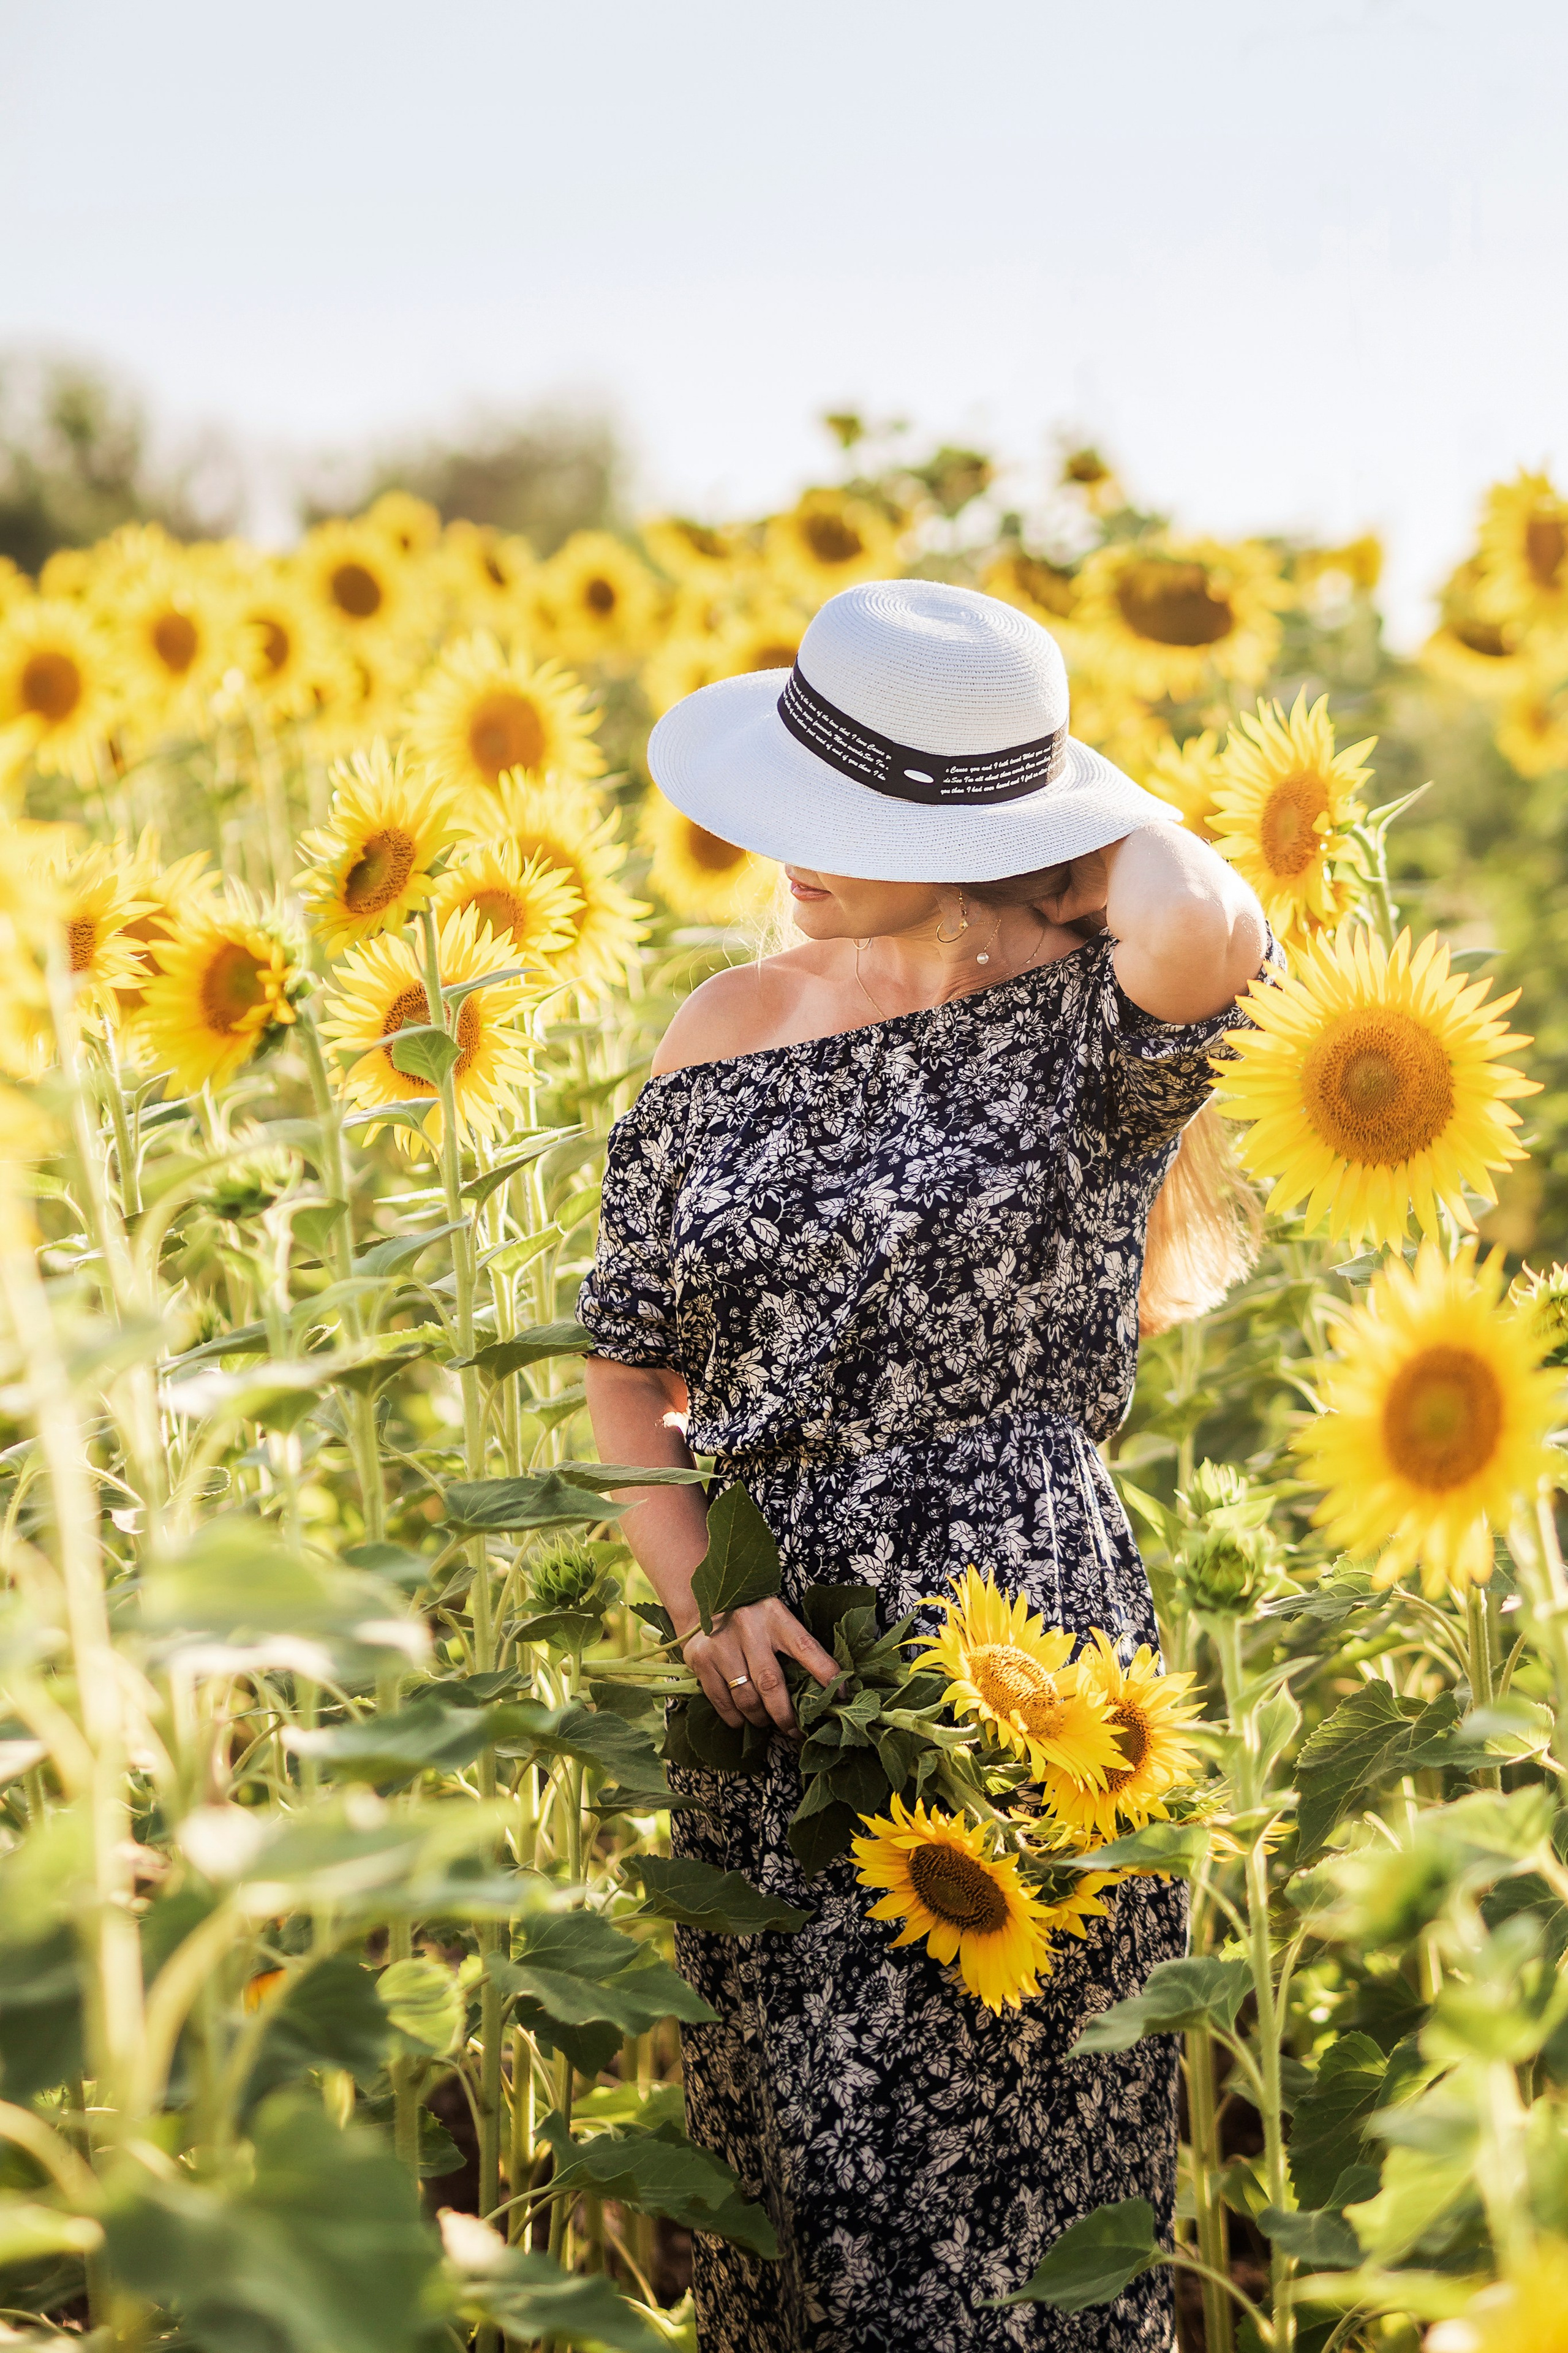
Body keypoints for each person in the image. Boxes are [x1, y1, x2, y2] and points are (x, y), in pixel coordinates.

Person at [578, 579, 1268, 2351]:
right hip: (779, 1654)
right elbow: (625, 1368)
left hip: (1027, 1646)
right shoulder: (721, 1028)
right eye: (806, 801)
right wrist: (701, 1594)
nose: (798, 852)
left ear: (993, 832)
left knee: (1028, 2197)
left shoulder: (1091, 1035)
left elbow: (1206, 922)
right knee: (802, 2175)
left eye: (863, 819)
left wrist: (1076, 838)